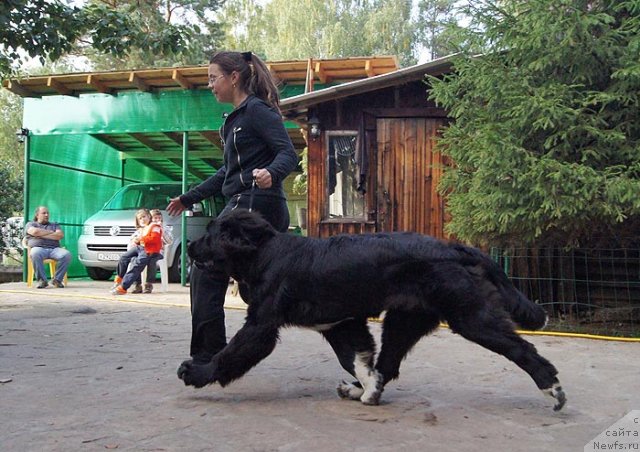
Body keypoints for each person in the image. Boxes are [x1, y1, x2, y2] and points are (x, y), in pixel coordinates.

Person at [166, 51, 298, 373]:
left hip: (255, 204)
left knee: (206, 265)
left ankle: (209, 357)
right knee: (259, 292)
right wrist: (188, 198)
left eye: (214, 77)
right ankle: (311, 315)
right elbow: (225, 172)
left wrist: (272, 173)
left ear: (234, 77)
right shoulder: (233, 122)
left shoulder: (257, 111)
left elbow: (288, 153)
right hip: (242, 202)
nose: (210, 85)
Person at [111, 208, 164, 295]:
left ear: (149, 217)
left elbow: (155, 239)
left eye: (144, 217)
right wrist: (137, 241)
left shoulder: (155, 227)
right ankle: (119, 279)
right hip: (140, 248)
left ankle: (123, 288)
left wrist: (141, 239)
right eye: (140, 218)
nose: (142, 219)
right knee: (124, 257)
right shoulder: (143, 228)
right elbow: (141, 240)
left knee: (136, 266)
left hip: (150, 251)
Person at [24, 206, 72, 289]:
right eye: (44, 213)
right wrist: (51, 233)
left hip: (54, 249)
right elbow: (35, 231)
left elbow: (60, 235)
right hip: (38, 248)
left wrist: (41, 234)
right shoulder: (30, 224)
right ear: (37, 215)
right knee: (35, 253)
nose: (46, 215)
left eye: (47, 213)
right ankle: (42, 281)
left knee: (66, 254)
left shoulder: (54, 224)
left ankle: (57, 280)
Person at [143, 208, 174, 294]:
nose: (157, 220)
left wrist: (162, 230)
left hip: (158, 252)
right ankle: (137, 284)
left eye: (159, 218)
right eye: (155, 218)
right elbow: (136, 237)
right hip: (145, 251)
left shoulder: (165, 228)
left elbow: (170, 241)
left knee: (152, 260)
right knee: (137, 260)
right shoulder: (146, 228)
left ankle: (148, 285)